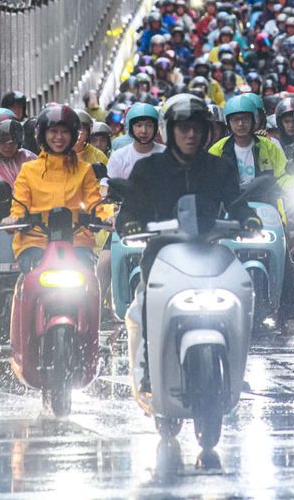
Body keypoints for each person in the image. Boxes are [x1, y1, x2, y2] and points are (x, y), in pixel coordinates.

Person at [116, 95, 258, 393]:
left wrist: (249, 218)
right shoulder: (148, 169)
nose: (191, 134)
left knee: (242, 290)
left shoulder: (220, 168)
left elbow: (237, 203)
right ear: (170, 131)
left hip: (210, 250)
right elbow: (130, 208)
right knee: (147, 300)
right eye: (183, 128)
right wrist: (129, 222)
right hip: (162, 253)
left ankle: (234, 363)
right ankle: (149, 367)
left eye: (197, 128)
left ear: (207, 131)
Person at [3, 104, 104, 274]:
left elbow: (94, 202)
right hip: (35, 241)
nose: (59, 137)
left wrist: (106, 217)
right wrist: (15, 219)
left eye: (64, 132)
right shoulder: (28, 170)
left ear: (73, 135)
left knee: (90, 282)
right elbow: (19, 204)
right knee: (28, 281)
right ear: (43, 134)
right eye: (53, 131)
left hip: (76, 241)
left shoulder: (85, 170)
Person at [209, 95, 294, 190]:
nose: (240, 124)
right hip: (232, 203)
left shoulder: (268, 145)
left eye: (245, 118)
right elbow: (209, 183)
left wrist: (290, 190)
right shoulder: (217, 149)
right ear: (228, 122)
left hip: (265, 201)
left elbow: (284, 175)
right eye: (236, 119)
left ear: (253, 120)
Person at [107, 103, 164, 180]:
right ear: (130, 128)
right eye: (138, 125)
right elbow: (107, 188)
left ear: (156, 128)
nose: (144, 131)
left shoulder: (166, 154)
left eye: (149, 125)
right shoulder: (119, 157)